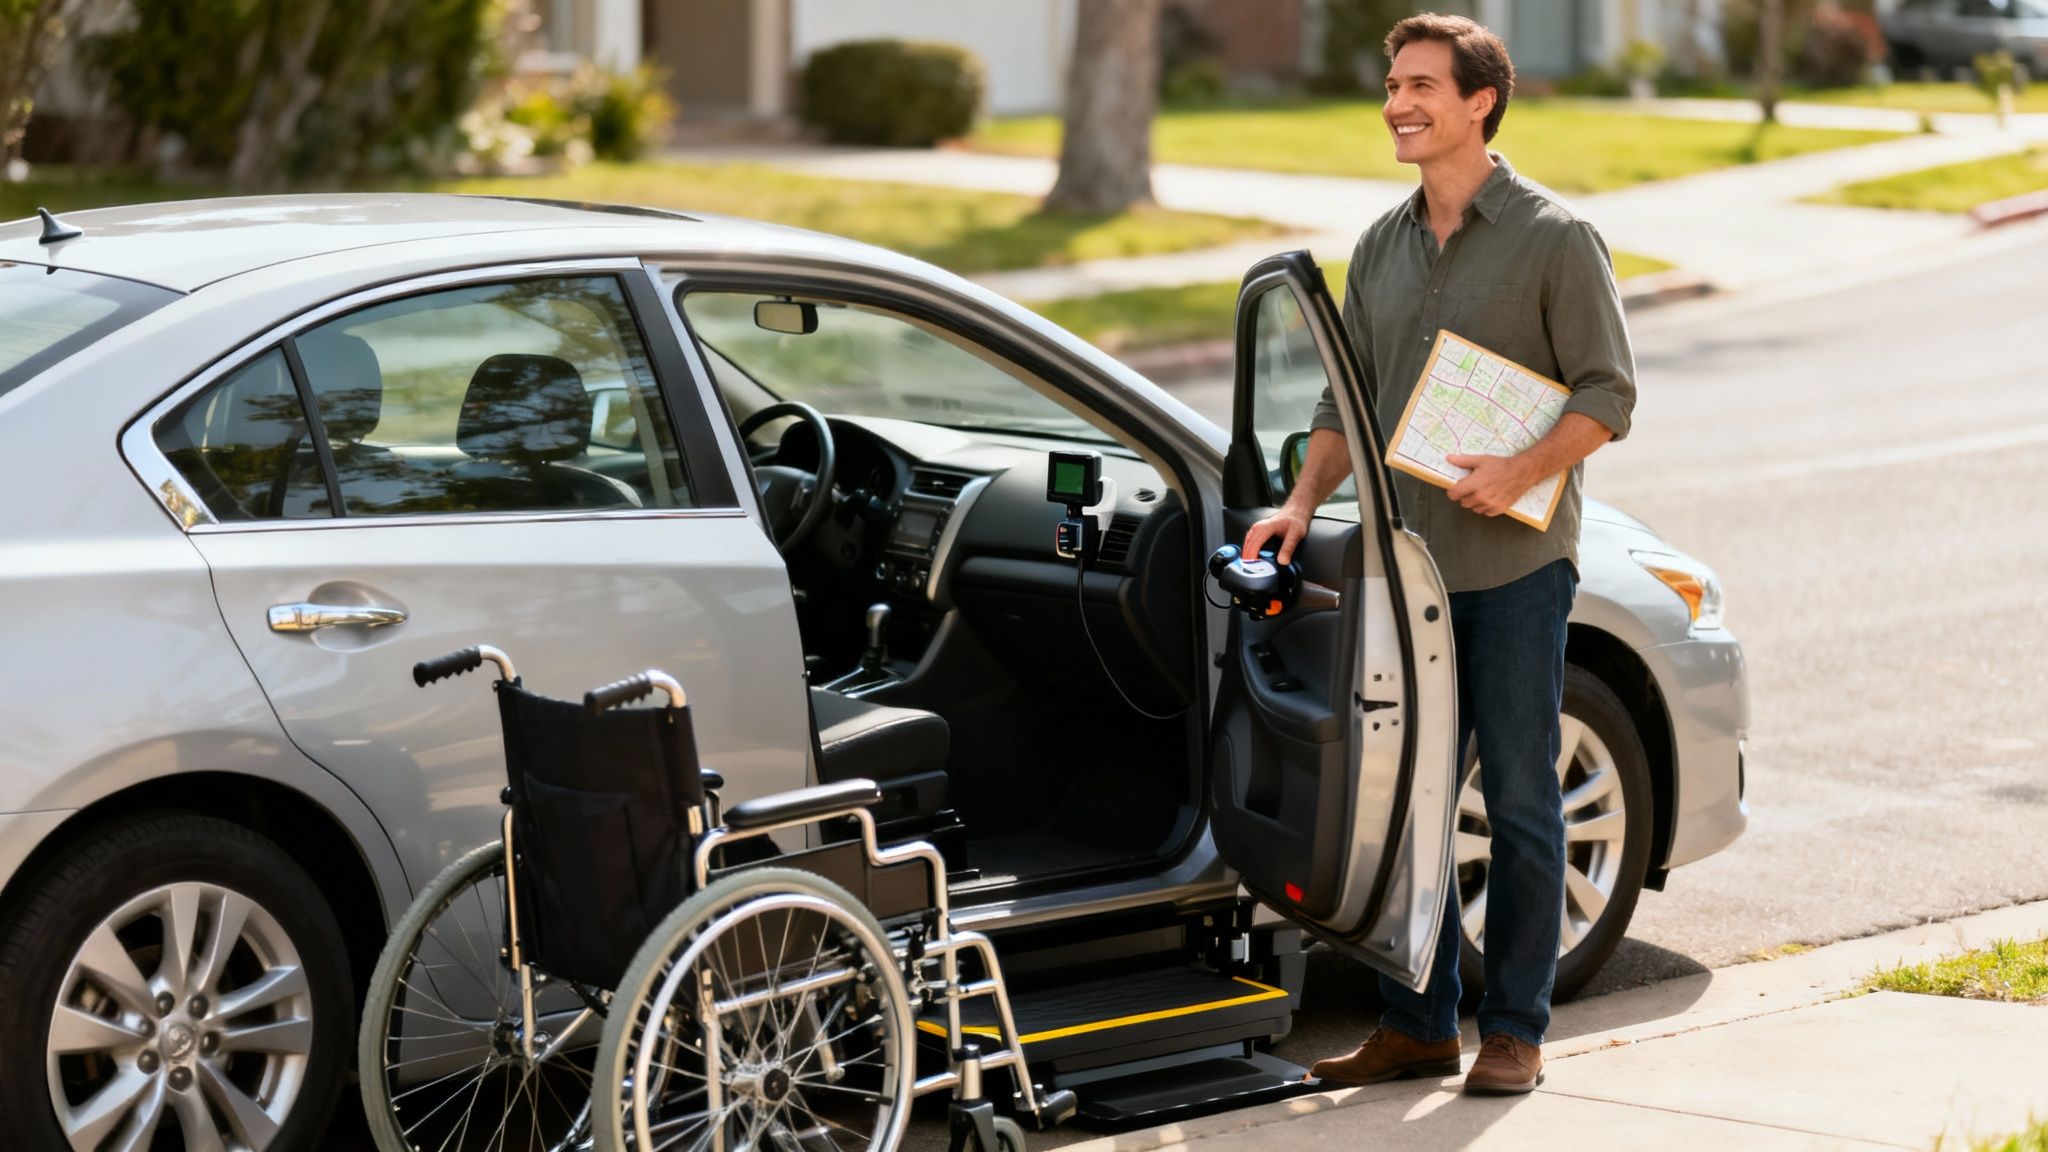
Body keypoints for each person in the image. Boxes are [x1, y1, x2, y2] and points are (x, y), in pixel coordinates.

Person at [1242, 14, 1636, 1096]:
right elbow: (1346, 401)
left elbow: (1608, 394)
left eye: (1419, 85)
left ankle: (1512, 1027)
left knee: (1515, 795)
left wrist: (1515, 470)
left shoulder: (1554, 238)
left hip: (1511, 572)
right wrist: (1296, 503)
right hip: (1404, 574)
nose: (1395, 103)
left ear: (1479, 102)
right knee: (1410, 798)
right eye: (1389, 85)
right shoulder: (1378, 244)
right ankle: (1415, 1024)